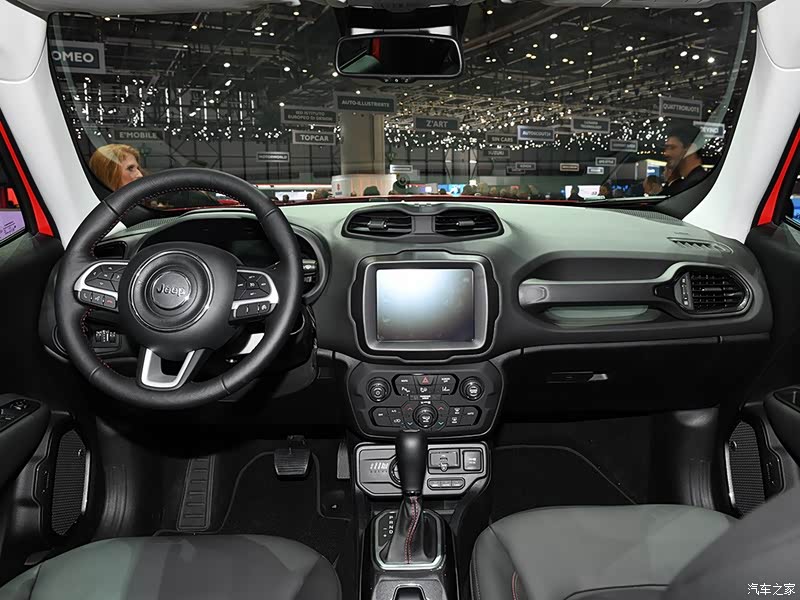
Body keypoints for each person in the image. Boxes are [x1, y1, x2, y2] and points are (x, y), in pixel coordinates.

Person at [663, 124, 707, 196]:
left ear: (690, 149)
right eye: (666, 148)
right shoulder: (695, 180)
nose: (666, 153)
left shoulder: (695, 185)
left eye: (672, 148)